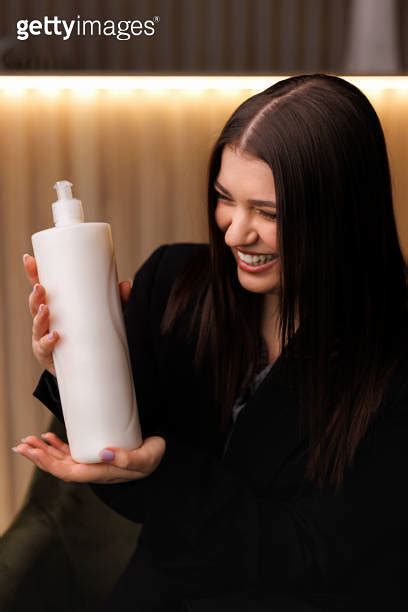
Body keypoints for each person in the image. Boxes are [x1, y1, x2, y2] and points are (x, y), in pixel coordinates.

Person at [18, 74, 408, 611]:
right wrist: (76, 368)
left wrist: (166, 470)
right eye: (225, 199)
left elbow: (317, 556)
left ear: (342, 214)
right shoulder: (174, 285)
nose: (233, 233)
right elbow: (129, 492)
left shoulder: (390, 360)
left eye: (268, 213)